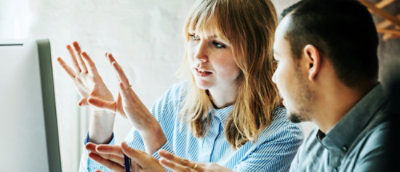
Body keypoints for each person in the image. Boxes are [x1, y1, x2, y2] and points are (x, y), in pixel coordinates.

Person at [57, 0, 303, 171]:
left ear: (254, 51)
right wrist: (102, 115)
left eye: (217, 43)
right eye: (194, 37)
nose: (198, 54)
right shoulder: (175, 101)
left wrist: (153, 135)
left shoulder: (281, 134)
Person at [272, 0, 392, 171]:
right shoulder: (315, 142)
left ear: (311, 62)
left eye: (278, 60)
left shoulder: (387, 148)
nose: (274, 77)